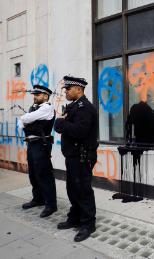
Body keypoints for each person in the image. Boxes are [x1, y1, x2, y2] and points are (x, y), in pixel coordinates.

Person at [54, 75, 98, 242]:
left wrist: (60, 123)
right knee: (73, 189)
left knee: (83, 190)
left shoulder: (84, 107)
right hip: (73, 155)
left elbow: (80, 131)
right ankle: (75, 217)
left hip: (82, 156)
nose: (66, 91)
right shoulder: (74, 107)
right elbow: (63, 128)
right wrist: (61, 124)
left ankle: (88, 223)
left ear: (78, 89)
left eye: (68, 88)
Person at [18, 84, 57, 218]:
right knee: (33, 173)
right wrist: (28, 123)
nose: (35, 97)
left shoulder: (47, 108)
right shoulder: (34, 109)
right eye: (34, 94)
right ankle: (38, 199)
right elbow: (25, 125)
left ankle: (51, 204)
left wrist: (26, 121)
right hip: (32, 143)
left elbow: (24, 120)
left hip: (42, 144)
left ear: (45, 96)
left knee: (44, 174)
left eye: (38, 94)